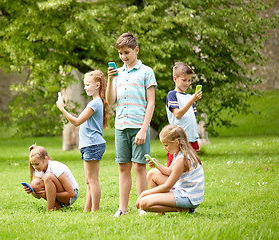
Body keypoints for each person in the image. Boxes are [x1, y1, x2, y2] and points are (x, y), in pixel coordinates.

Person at [106, 32, 156, 217]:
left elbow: (151, 103)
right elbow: (110, 101)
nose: (123, 57)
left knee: (139, 166)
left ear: (136, 50)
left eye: (127, 52)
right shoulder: (118, 73)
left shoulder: (146, 72)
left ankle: (142, 207)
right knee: (123, 167)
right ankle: (123, 209)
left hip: (139, 127)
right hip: (121, 126)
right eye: (120, 54)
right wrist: (111, 79)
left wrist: (144, 129)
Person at [56, 70, 108, 212]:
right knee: (88, 180)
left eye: (87, 85)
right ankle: (87, 209)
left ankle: (94, 210)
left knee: (93, 180)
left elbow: (77, 121)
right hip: (89, 145)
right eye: (84, 85)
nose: (85, 87)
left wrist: (62, 109)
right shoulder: (94, 102)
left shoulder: (95, 103)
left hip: (93, 144)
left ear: (97, 85)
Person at [136, 124, 204, 214]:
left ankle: (186, 209)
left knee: (144, 203)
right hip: (182, 189)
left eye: (166, 145)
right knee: (152, 173)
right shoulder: (178, 153)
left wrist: (144, 193)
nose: (165, 148)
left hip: (189, 196)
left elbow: (167, 186)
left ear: (176, 142)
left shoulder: (182, 159)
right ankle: (160, 212)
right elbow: (170, 172)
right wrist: (158, 165)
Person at [165, 62, 202, 167]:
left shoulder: (190, 97)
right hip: (177, 140)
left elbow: (191, 120)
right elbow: (177, 115)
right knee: (175, 168)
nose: (187, 83)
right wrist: (192, 100)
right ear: (175, 79)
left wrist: (195, 139)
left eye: (189, 80)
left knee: (191, 168)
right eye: (184, 80)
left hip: (191, 140)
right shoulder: (172, 95)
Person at [22, 145, 79, 212]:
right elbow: (39, 196)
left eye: (37, 164)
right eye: (32, 164)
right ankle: (57, 206)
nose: (34, 167)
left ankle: (50, 210)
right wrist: (32, 192)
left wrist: (49, 193)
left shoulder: (55, 168)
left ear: (45, 159)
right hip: (60, 195)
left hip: (71, 196)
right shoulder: (38, 170)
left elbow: (71, 193)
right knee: (35, 183)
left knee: (48, 177)